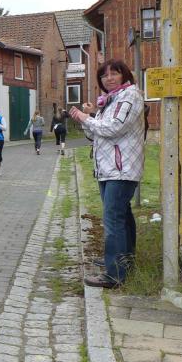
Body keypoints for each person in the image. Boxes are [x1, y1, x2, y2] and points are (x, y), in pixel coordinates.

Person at [69, 59, 145, 288]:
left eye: (114, 73)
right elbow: (94, 135)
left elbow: (114, 128)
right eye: (104, 75)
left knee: (113, 219)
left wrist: (87, 118)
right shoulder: (111, 99)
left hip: (121, 169)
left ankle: (115, 274)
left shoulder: (129, 96)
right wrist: (87, 118)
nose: (109, 78)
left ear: (125, 75)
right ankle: (123, 261)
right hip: (108, 169)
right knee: (122, 216)